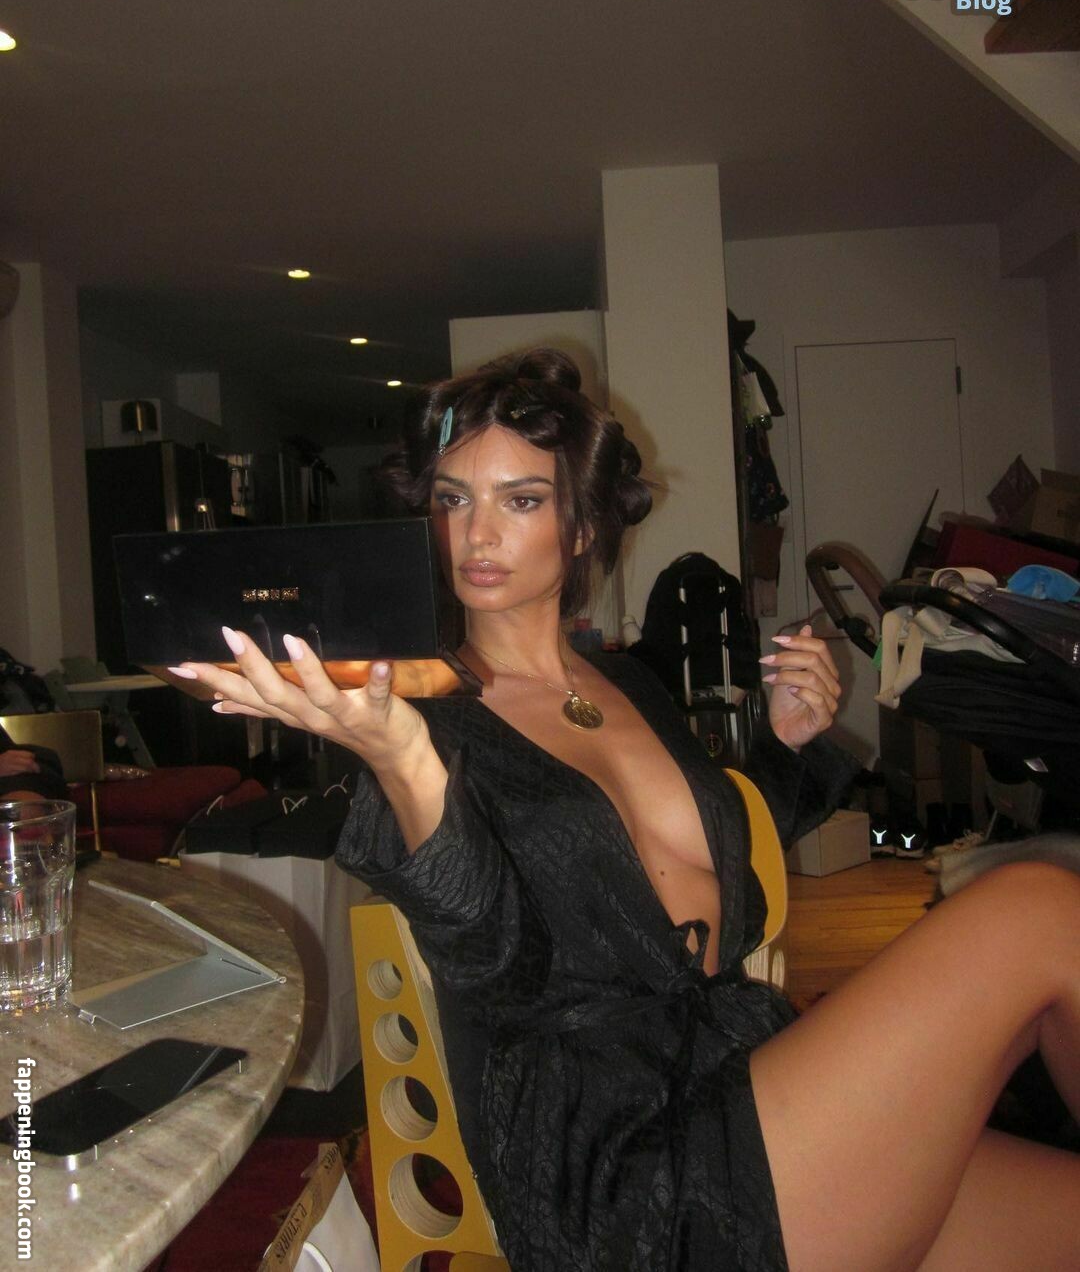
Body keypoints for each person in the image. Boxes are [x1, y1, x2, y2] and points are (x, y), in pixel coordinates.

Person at [170, 349, 1080, 1271]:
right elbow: (490, 959)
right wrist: (400, 756)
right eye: (453, 499)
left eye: (521, 499)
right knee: (1036, 909)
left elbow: (707, 888)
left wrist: (788, 744)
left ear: (579, 527)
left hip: (736, 1072)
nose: (476, 532)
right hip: (615, 1162)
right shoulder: (425, 718)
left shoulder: (632, 683)